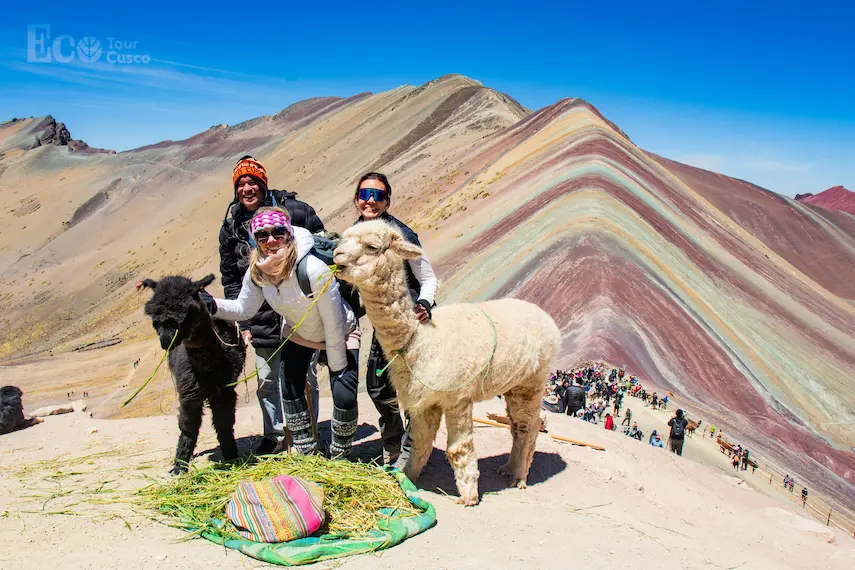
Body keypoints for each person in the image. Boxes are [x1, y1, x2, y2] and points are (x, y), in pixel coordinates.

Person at [213, 206, 359, 458]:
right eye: (262, 236)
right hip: (299, 333)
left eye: (278, 232)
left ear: (289, 233)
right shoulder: (258, 272)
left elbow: (333, 324)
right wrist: (211, 306)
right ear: (255, 241)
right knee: (290, 389)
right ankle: (306, 453)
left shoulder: (312, 269)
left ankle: (340, 456)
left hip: (339, 333)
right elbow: (243, 308)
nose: (270, 240)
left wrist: (336, 368)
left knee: (344, 394)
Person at [219, 156, 324, 455]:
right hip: (261, 314)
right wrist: (244, 323)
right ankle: (275, 435)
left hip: (300, 307)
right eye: (241, 184)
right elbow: (230, 277)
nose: (247, 188)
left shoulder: (296, 211)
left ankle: (307, 434)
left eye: (253, 182)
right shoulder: (231, 227)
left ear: (263, 183)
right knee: (267, 379)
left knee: (305, 377)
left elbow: (321, 247)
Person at [353, 172, 438, 466]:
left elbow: (427, 278)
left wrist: (425, 303)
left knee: (413, 388)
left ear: (387, 201)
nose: (370, 201)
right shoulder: (355, 234)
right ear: (356, 199)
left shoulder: (400, 236)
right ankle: (392, 444)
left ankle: (412, 453)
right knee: (378, 387)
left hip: (411, 320)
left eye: (378, 196)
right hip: (382, 323)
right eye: (365, 194)